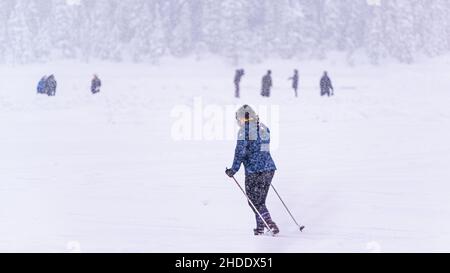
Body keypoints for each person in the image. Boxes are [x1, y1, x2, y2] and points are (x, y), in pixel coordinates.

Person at [225, 105, 279, 235]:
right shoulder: (263, 128)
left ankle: (269, 223)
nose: (238, 122)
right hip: (268, 169)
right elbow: (264, 149)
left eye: (238, 118)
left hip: (254, 171)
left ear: (243, 118)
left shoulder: (244, 131)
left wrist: (233, 170)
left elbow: (240, 152)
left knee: (254, 201)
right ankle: (260, 228)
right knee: (260, 201)